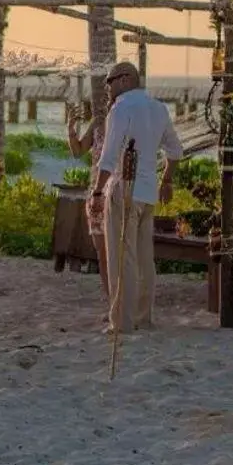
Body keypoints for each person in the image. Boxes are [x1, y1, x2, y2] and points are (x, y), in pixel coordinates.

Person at [88, 61, 184, 333]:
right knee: (144, 258)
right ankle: (144, 317)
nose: (108, 88)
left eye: (110, 81)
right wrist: (166, 179)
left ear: (125, 79)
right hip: (147, 192)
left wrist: (97, 191)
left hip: (123, 189)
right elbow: (175, 151)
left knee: (121, 258)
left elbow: (107, 158)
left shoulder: (121, 108)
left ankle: (122, 322)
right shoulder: (158, 108)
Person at [66, 91, 111, 299]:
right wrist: (71, 130)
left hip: (116, 191)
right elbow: (78, 151)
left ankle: (121, 300)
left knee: (116, 251)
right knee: (101, 252)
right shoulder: (97, 123)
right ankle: (111, 300)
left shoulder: (123, 120)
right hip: (95, 193)